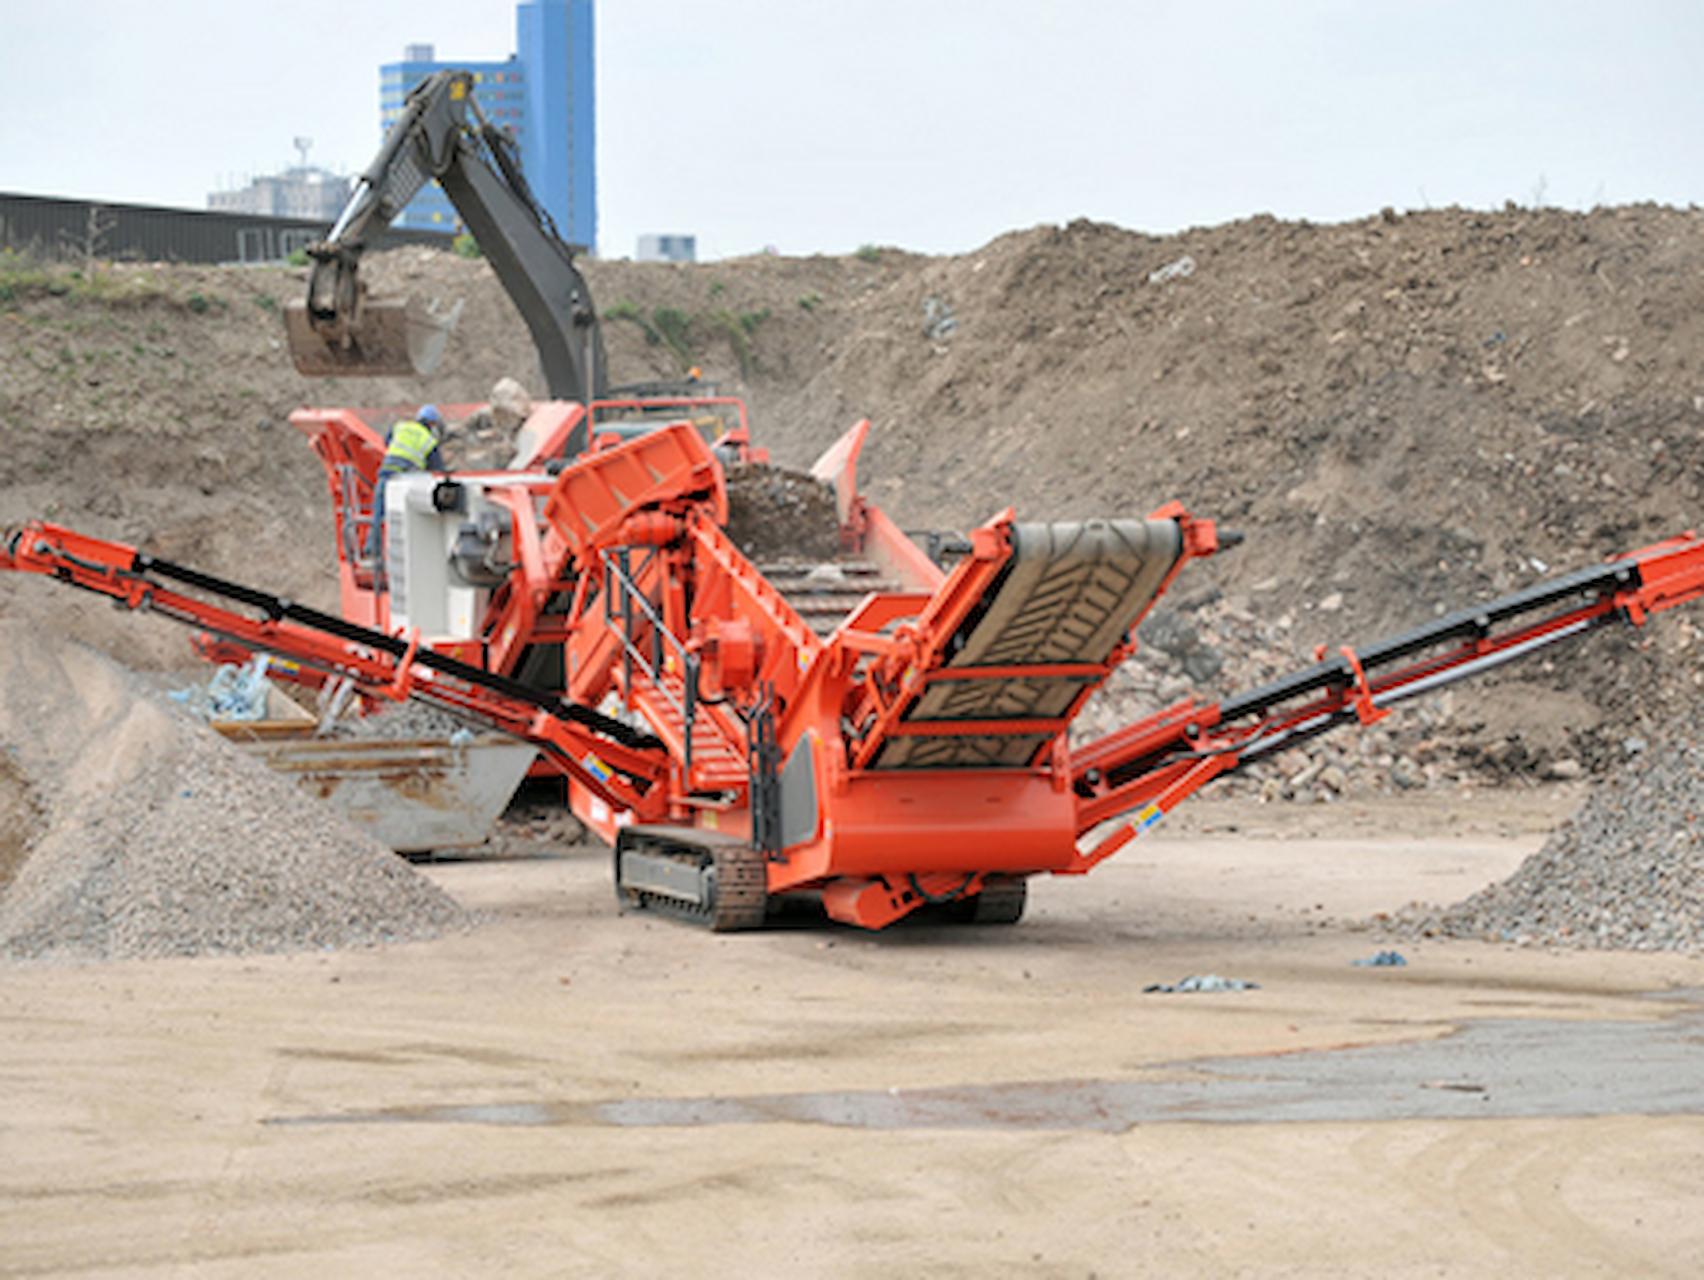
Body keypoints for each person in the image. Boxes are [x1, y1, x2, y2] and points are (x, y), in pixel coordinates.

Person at [365, 404, 447, 572]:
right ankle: (407, 555)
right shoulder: (428, 440)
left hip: (386, 474)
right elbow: (437, 469)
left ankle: (372, 551)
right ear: (432, 424)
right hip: (405, 480)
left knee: (379, 513)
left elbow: (387, 441)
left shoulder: (400, 426)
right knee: (408, 519)